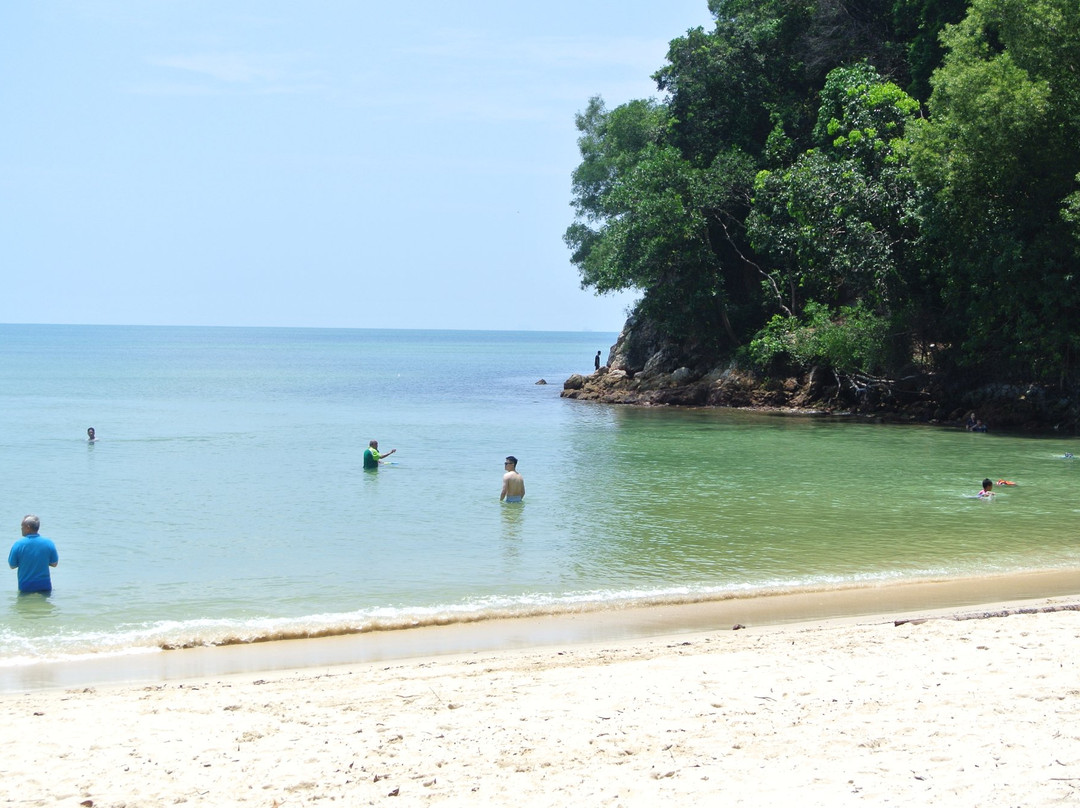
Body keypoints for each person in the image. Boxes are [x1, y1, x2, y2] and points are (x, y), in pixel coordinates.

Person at [8, 515, 59, 593]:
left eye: (22, 526)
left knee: (25, 604)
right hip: (44, 585)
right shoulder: (49, 543)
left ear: (28, 528)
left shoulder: (18, 544)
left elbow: (12, 565)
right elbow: (54, 563)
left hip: (26, 587)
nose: (21, 529)